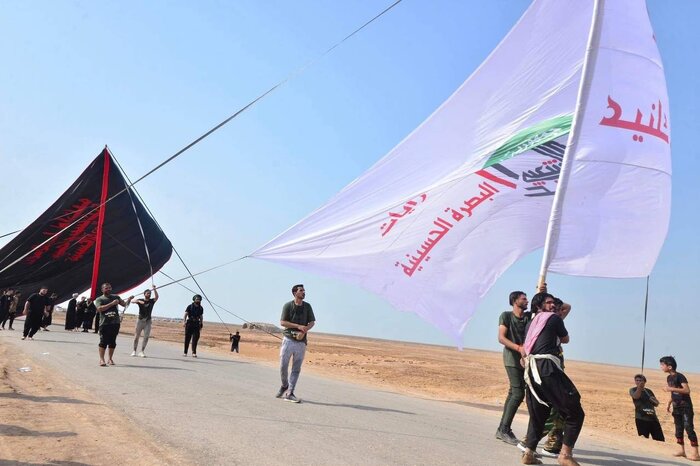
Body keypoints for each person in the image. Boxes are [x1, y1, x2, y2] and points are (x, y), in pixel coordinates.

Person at [520, 292, 585, 466]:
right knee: (575, 411)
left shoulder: (532, 323)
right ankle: (565, 455)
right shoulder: (554, 319)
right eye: (549, 303)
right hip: (546, 367)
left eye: (554, 304)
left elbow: (525, 348)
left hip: (532, 371)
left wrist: (543, 293)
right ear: (538, 306)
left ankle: (529, 452)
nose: (554, 306)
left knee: (539, 413)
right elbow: (565, 339)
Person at [496, 290, 531, 445]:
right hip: (511, 359)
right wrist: (518, 348)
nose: (527, 301)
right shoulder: (506, 316)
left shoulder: (529, 317)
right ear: (515, 300)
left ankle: (503, 429)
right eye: (524, 299)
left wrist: (543, 292)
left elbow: (563, 307)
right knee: (518, 394)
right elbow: (501, 338)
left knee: (513, 393)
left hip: (526, 361)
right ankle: (504, 429)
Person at [276, 284, 316, 403]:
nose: (304, 292)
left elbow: (312, 322)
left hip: (301, 342)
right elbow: (283, 322)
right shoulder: (288, 305)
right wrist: (298, 326)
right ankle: (284, 385)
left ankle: (290, 392)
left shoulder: (307, 306)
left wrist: (305, 330)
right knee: (283, 366)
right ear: (295, 293)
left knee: (296, 368)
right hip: (288, 339)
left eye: (304, 290)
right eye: (301, 291)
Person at [660, 356, 699, 460]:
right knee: (678, 429)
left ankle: (696, 453)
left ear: (670, 366)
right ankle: (682, 451)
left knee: (688, 427)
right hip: (676, 406)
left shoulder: (680, 376)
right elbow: (674, 393)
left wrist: (669, 388)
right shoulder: (669, 378)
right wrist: (669, 403)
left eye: (662, 365)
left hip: (685, 406)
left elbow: (686, 390)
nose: (661, 367)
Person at [93, 283, 133, 366]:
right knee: (103, 342)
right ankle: (101, 359)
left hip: (115, 323)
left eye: (109, 288)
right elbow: (99, 309)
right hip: (104, 323)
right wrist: (112, 304)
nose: (108, 289)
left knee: (112, 342)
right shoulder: (99, 299)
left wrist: (129, 299)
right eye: (106, 288)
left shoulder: (116, 297)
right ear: (102, 290)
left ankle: (110, 359)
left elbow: (124, 305)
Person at [629, 373, 665, 442]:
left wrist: (654, 400)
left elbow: (656, 404)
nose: (638, 382)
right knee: (644, 439)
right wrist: (639, 387)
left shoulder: (649, 391)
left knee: (660, 440)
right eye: (637, 380)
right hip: (641, 418)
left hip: (653, 418)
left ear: (644, 382)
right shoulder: (633, 390)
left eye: (640, 380)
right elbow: (636, 396)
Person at [132, 285, 159, 357]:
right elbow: (132, 301)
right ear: (144, 294)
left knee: (146, 337)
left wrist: (154, 289)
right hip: (140, 320)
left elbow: (157, 297)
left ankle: (142, 351)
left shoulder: (151, 301)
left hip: (148, 321)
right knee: (136, 336)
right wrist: (138, 301)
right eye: (147, 293)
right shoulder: (141, 300)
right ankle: (134, 351)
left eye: (150, 293)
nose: (149, 294)